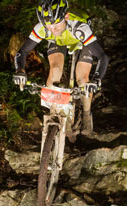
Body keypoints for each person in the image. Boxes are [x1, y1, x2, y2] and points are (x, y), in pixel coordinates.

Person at [13, 0, 109, 136]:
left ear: (66, 17)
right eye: (49, 26)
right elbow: (22, 52)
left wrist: (96, 79)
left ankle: (87, 114)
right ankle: (55, 112)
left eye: (56, 25)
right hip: (57, 41)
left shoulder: (80, 28)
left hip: (81, 40)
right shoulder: (43, 28)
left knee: (82, 79)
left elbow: (102, 57)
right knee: (55, 71)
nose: (52, 29)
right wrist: (20, 71)